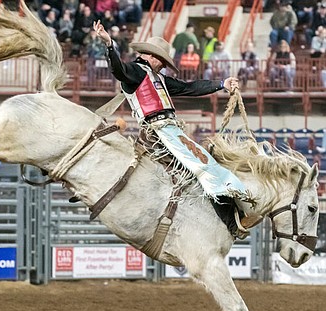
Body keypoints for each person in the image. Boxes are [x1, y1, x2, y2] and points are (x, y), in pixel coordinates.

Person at [93, 21, 248, 202]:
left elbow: (190, 87)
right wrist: (110, 45)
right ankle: (223, 194)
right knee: (197, 160)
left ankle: (225, 192)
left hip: (171, 129)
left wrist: (221, 84)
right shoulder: (136, 72)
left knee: (199, 156)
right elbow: (119, 70)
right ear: (152, 57)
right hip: (159, 129)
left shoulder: (160, 78)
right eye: (163, 61)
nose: (164, 65)